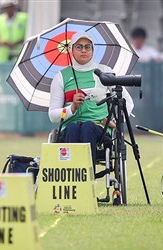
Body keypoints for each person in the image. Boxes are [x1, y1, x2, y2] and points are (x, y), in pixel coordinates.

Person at [48, 32, 134, 174]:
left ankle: (87, 180)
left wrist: (117, 122)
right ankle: (73, 179)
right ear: (71, 50)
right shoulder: (60, 77)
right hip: (70, 128)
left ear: (93, 50)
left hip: (99, 128)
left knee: (88, 126)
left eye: (88, 47)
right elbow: (53, 115)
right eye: (79, 47)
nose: (83, 50)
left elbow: (127, 101)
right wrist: (72, 108)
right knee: (73, 129)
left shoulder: (105, 72)